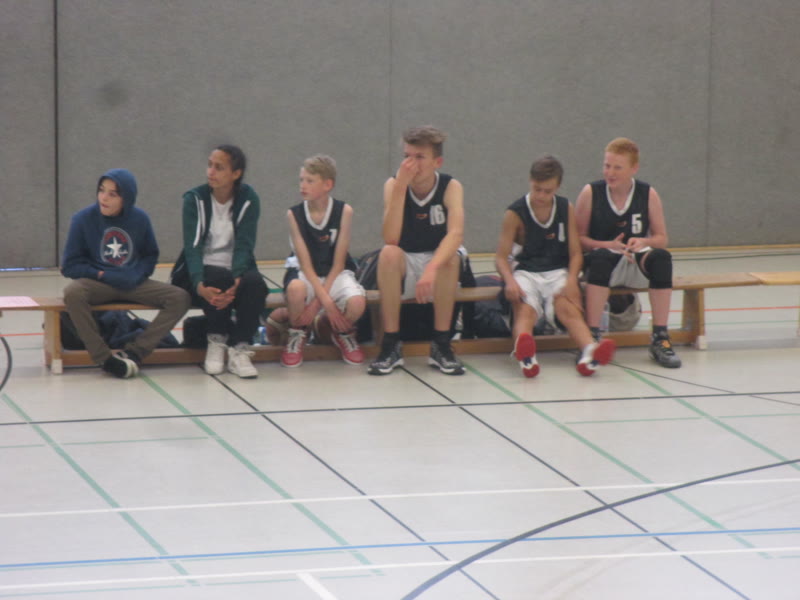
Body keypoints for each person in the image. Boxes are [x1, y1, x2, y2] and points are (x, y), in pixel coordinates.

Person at [61, 169, 191, 378]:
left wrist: (136, 275)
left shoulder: (140, 219)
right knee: (73, 293)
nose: (104, 197)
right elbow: (69, 265)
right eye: (102, 190)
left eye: (112, 194)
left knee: (180, 297)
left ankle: (135, 352)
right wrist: (100, 274)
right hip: (99, 282)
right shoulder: (82, 219)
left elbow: (150, 255)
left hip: (133, 283)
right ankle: (104, 358)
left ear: (126, 199)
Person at [495, 156, 616, 378]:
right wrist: (509, 281)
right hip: (526, 272)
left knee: (568, 308)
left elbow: (575, 253)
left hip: (557, 271)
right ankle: (526, 356)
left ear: (557, 187)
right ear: (530, 181)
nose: (541, 196)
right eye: (537, 189)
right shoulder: (515, 213)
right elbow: (501, 258)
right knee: (525, 309)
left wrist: (572, 280)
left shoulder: (564, 208)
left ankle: (590, 351)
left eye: (547, 191)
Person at [575, 137, 681, 368]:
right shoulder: (591, 192)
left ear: (634, 168)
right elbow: (578, 239)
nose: (610, 172)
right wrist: (606, 245)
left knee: (662, 259)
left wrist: (643, 241)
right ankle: (592, 337)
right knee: (601, 258)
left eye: (617, 167)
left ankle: (660, 337)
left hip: (634, 261)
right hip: (603, 263)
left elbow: (661, 238)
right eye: (607, 166)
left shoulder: (647, 194)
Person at [368, 126, 465, 376]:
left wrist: (431, 269)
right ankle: (391, 344)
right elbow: (391, 237)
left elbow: (455, 234)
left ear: (437, 162)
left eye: (419, 157)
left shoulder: (451, 186)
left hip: (437, 260)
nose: (411, 164)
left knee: (451, 258)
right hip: (406, 259)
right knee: (388, 253)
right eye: (407, 156)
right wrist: (401, 187)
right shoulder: (393, 184)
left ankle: (441, 344)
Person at [171, 145, 268, 378]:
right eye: (210, 165)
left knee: (255, 284)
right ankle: (216, 340)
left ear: (236, 173)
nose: (211, 172)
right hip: (197, 275)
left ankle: (239, 347)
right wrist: (199, 284)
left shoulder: (249, 199)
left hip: (235, 270)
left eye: (219, 167)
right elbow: (193, 247)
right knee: (218, 278)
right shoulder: (194, 199)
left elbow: (245, 244)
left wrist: (238, 278)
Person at [280, 155, 366, 367]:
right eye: (301, 180)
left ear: (327, 184)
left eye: (310, 181)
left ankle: (341, 331)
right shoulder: (294, 214)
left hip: (334, 273)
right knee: (296, 290)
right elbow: (306, 266)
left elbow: (339, 264)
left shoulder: (344, 211)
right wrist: (324, 303)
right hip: (306, 273)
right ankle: (298, 332)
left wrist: (320, 304)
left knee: (357, 303)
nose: (303, 185)